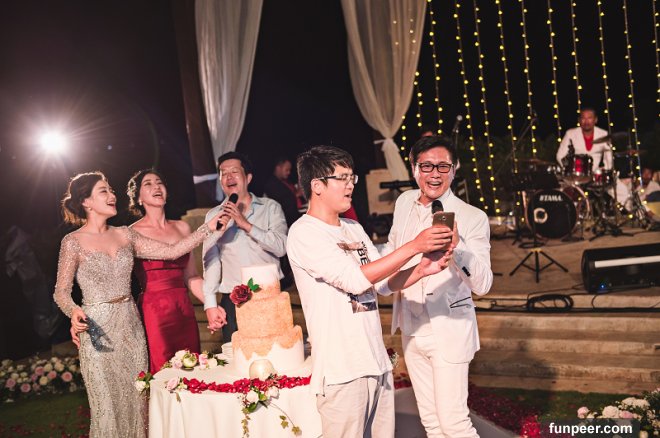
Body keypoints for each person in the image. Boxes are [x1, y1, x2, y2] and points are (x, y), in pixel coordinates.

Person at [287, 145, 453, 438]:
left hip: (376, 363)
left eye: (352, 177)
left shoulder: (353, 227)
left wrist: (421, 269)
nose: (351, 184)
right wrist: (414, 245)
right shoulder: (304, 233)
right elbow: (353, 280)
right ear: (317, 186)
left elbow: (381, 284)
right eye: (342, 178)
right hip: (341, 371)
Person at [54, 172, 222, 437]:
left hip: (131, 327)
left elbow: (172, 252)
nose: (112, 196)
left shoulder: (125, 235)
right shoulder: (72, 242)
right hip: (97, 330)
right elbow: (61, 292)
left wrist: (206, 229)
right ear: (86, 202)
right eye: (104, 191)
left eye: (111, 190)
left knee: (139, 400)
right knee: (107, 406)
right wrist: (73, 311)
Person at [383, 135, 493, 437]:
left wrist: (458, 248)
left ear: (454, 170)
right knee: (431, 423)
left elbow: (484, 284)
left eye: (443, 166)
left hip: (448, 329)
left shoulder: (472, 216)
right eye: (427, 166)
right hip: (410, 326)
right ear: (414, 168)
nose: (435, 174)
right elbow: (393, 248)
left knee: (454, 423)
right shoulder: (403, 202)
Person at [126, 169, 227, 373]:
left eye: (159, 182)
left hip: (182, 307)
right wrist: (207, 228)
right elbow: (172, 253)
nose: (156, 186)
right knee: (163, 369)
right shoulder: (132, 233)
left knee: (191, 366)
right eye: (148, 184)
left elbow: (192, 277)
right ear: (138, 199)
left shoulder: (182, 227)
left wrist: (211, 305)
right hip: (154, 310)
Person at [202, 152, 288, 343]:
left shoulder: (270, 207)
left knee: (275, 354)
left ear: (248, 177)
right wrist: (210, 304)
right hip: (233, 300)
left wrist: (246, 225)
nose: (229, 177)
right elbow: (211, 262)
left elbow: (281, 247)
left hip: (269, 295)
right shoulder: (214, 216)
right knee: (238, 357)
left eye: (234, 171)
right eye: (224, 173)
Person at [556, 107, 613, 172]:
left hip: (595, 174)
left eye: (589, 118)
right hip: (576, 173)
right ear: (579, 120)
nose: (586, 122)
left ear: (595, 120)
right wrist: (569, 169)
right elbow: (560, 156)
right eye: (583, 118)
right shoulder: (570, 134)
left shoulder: (603, 134)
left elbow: (609, 158)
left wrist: (604, 171)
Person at [263, 157, 303, 227]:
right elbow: (282, 202)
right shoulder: (271, 184)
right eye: (286, 170)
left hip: (295, 217)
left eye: (289, 170)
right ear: (278, 168)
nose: (289, 172)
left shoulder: (285, 181)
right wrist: (296, 195)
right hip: (284, 222)